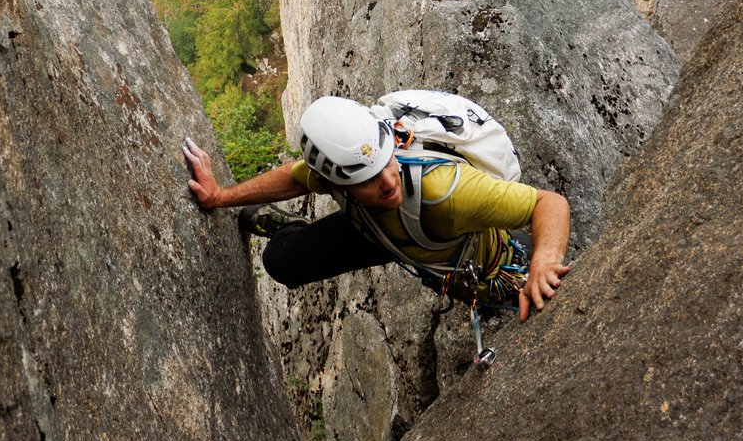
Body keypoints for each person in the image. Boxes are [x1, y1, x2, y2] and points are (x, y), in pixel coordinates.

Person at [180, 94, 571, 320]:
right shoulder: (344, 166)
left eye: (387, 163)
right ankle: (292, 227)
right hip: (376, 228)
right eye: (366, 179)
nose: (387, 182)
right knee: (281, 261)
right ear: (337, 183)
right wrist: (221, 198)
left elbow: (547, 204)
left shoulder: (447, 193)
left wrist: (544, 261)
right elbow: (297, 176)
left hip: (431, 228)